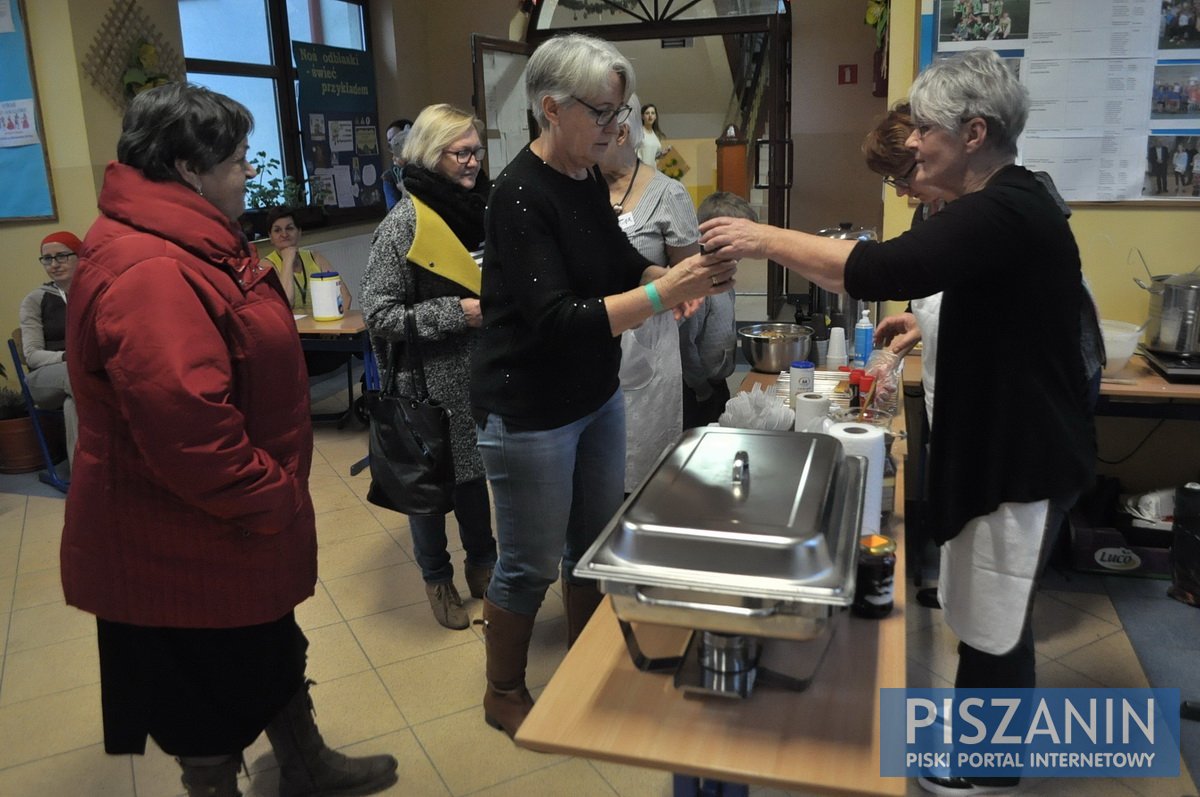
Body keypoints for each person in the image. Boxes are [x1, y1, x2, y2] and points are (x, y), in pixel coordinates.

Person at [700, 49, 1094, 796]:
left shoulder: (1004, 206)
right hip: (1014, 440)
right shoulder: (1008, 203)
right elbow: (970, 292)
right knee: (989, 610)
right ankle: (987, 754)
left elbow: (877, 269)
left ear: (975, 133)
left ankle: (984, 771)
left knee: (995, 615)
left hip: (1024, 451)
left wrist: (759, 238)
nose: (914, 146)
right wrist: (926, 319)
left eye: (928, 133)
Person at [60, 82, 397, 797]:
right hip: (182, 533)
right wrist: (273, 497)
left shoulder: (189, 242)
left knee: (268, 648)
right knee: (202, 694)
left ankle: (305, 764)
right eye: (240, 160)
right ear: (188, 168)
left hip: (220, 524)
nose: (251, 173)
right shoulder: (151, 269)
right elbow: (191, 431)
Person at [471, 32, 737, 740]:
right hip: (530, 408)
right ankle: (503, 689)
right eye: (605, 113)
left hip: (594, 395)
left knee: (594, 541)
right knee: (528, 561)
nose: (620, 129)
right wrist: (660, 294)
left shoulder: (585, 176)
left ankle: (593, 668)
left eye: (622, 113)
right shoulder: (517, 196)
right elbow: (557, 319)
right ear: (551, 108)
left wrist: (674, 281)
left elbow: (621, 263)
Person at [361, 103, 498, 630]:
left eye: (476, 151)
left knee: (474, 485)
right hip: (428, 389)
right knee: (429, 494)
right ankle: (437, 581)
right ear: (430, 154)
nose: (472, 162)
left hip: (480, 380)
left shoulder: (481, 209)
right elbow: (378, 312)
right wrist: (457, 313)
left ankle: (483, 569)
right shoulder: (404, 225)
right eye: (461, 152)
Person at [599, 93, 699, 493]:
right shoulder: (580, 188)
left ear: (622, 132)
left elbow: (689, 278)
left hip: (646, 343)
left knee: (642, 460)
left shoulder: (667, 194)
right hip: (591, 335)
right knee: (596, 470)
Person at [681, 192, 751, 429]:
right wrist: (701, 388)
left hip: (717, 380)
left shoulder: (724, 276)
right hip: (697, 388)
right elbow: (684, 344)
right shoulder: (700, 285)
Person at [264, 206, 355, 377]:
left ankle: (373, 391)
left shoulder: (314, 257)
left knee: (364, 341)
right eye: (277, 230)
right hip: (293, 341)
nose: (284, 234)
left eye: (290, 228)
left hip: (324, 333)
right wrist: (288, 259)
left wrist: (335, 326)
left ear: (299, 232)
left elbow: (345, 295)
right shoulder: (267, 266)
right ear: (270, 237)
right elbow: (286, 302)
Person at [19, 231, 82, 469]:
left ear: (80, 256)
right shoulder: (36, 300)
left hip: (82, 376)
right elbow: (32, 354)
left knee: (72, 404)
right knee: (76, 375)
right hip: (46, 377)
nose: (54, 264)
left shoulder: (96, 293)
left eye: (62, 256)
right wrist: (68, 356)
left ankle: (85, 475)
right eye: (47, 259)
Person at [382, 117, 413, 209]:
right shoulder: (389, 176)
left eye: (395, 138)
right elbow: (394, 212)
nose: (393, 143)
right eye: (389, 140)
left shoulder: (430, 166)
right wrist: (404, 191)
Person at [637, 102, 669, 167]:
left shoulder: (656, 135)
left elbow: (653, 156)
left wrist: (661, 154)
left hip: (652, 172)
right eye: (647, 113)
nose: (650, 115)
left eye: (652, 113)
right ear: (642, 116)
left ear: (655, 117)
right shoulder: (638, 132)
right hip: (640, 172)